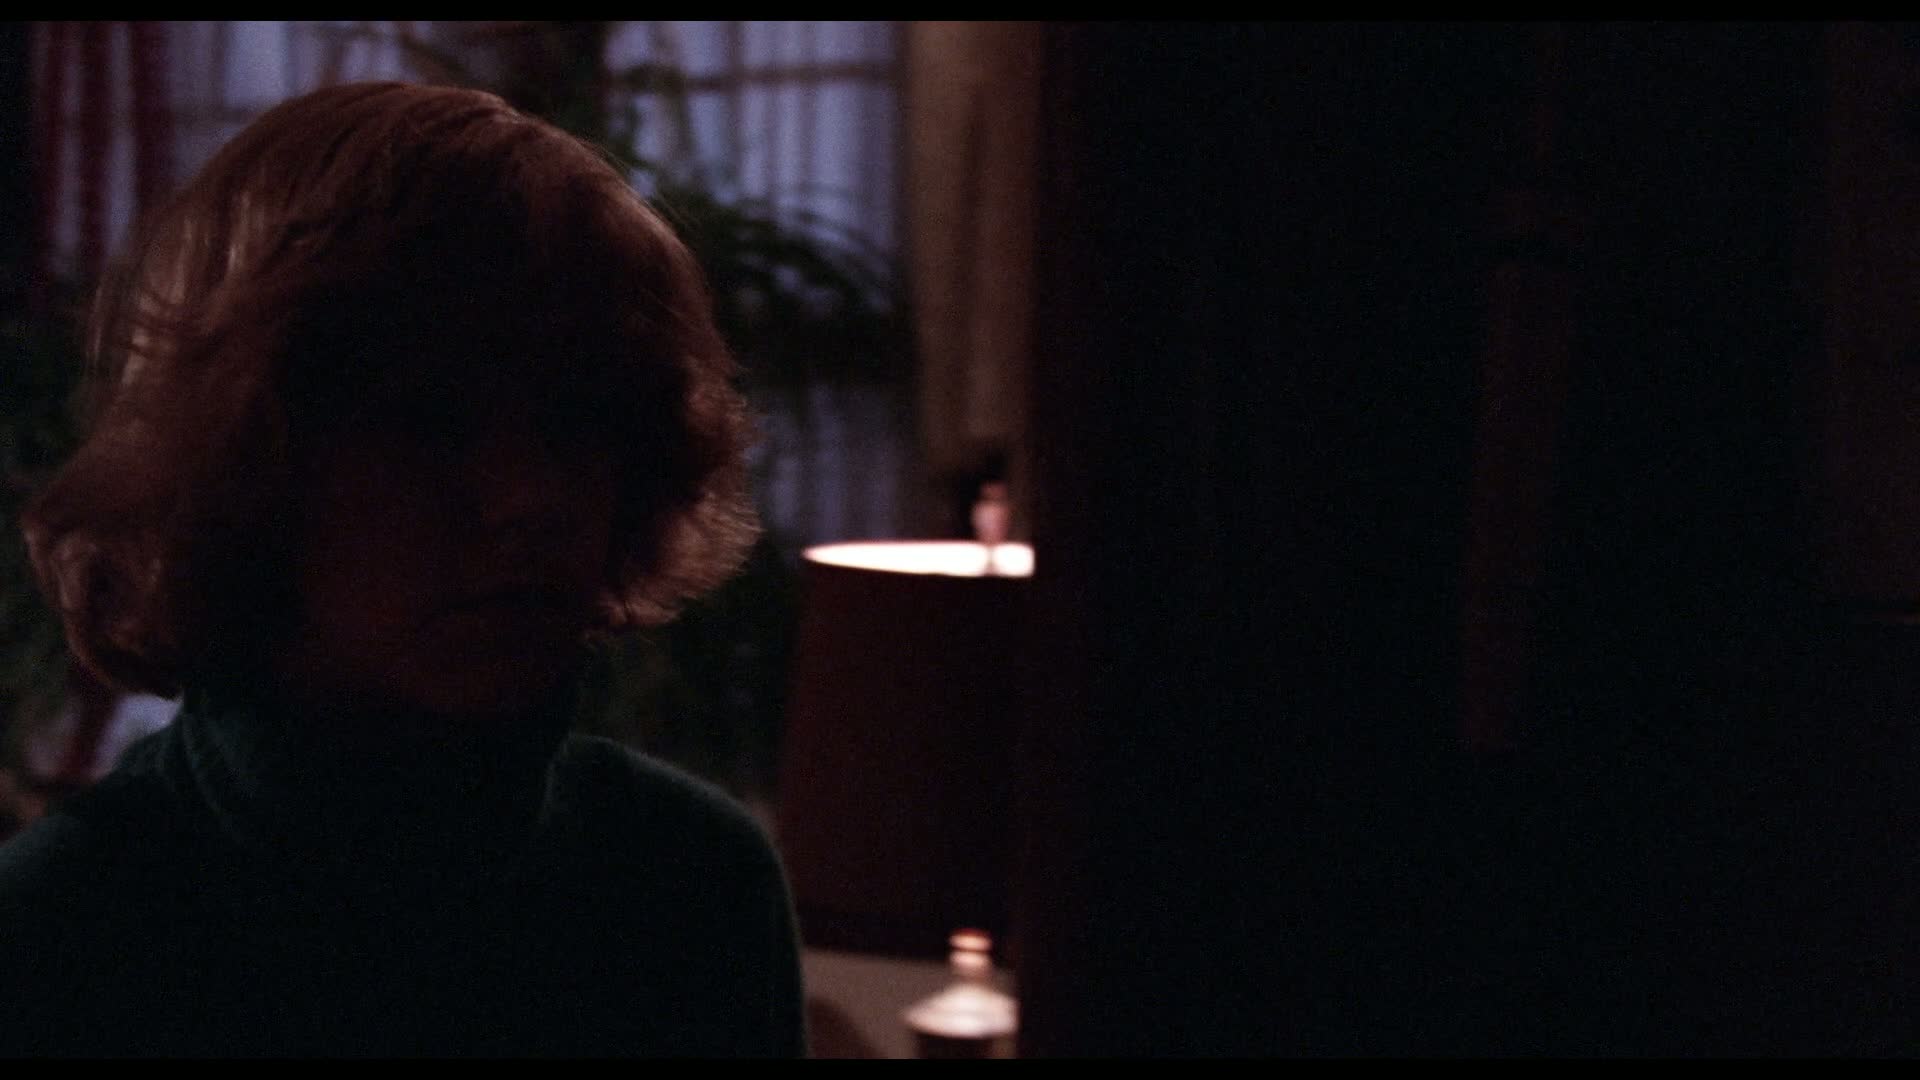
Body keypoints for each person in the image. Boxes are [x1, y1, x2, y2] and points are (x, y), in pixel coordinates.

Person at [0, 81, 805, 1057]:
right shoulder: (70, 933)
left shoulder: (689, 885)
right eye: (426, 420)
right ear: (239, 466)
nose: (528, 496)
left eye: (578, 418)